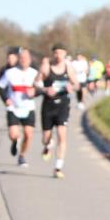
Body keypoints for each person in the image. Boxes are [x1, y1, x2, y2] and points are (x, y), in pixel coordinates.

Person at [37, 43, 77, 178]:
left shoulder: (68, 66)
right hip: (48, 105)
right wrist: (45, 89)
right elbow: (36, 83)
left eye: (61, 52)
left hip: (63, 105)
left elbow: (76, 83)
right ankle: (47, 145)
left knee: (62, 134)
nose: (58, 55)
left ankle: (58, 168)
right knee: (46, 138)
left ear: (65, 53)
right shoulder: (46, 66)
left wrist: (72, 87)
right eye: (56, 52)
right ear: (53, 54)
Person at [0, 48, 40, 167]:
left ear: (30, 60)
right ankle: (15, 141)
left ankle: (22, 155)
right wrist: (6, 99)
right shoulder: (10, 72)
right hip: (14, 108)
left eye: (26, 58)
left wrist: (35, 92)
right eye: (21, 58)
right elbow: (0, 86)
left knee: (28, 134)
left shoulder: (34, 73)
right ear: (18, 59)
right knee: (13, 134)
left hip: (28, 107)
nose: (24, 61)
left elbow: (41, 89)